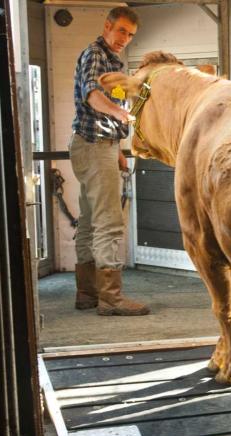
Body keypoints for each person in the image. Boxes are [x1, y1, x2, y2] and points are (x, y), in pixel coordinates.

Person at [70, 6, 149, 316]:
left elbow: (106, 98)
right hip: (93, 146)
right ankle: (111, 298)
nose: (124, 39)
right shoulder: (95, 54)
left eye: (130, 35)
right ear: (107, 26)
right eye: (121, 31)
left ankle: (86, 293)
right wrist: (121, 113)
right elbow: (92, 95)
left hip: (97, 145)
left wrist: (116, 148)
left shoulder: (114, 60)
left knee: (90, 221)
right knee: (109, 223)